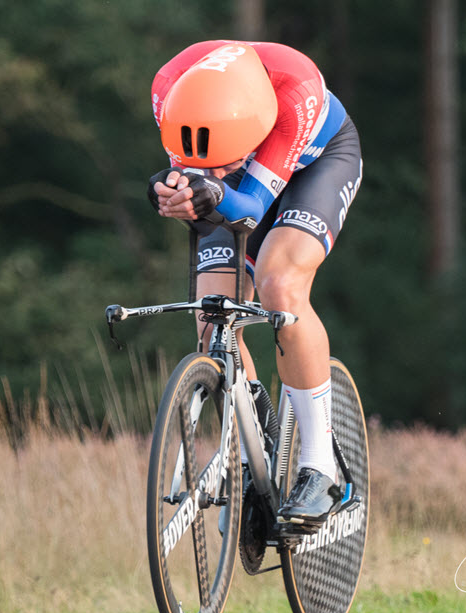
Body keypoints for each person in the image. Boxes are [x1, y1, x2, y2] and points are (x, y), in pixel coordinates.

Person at [147, 40, 362, 526]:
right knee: (211, 315)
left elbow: (249, 208)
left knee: (278, 283)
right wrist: (168, 189)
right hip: (236, 182)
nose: (215, 169)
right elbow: (190, 171)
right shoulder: (169, 89)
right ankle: (254, 431)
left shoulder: (294, 93)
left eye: (226, 161)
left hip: (314, 168)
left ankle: (319, 469)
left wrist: (213, 187)